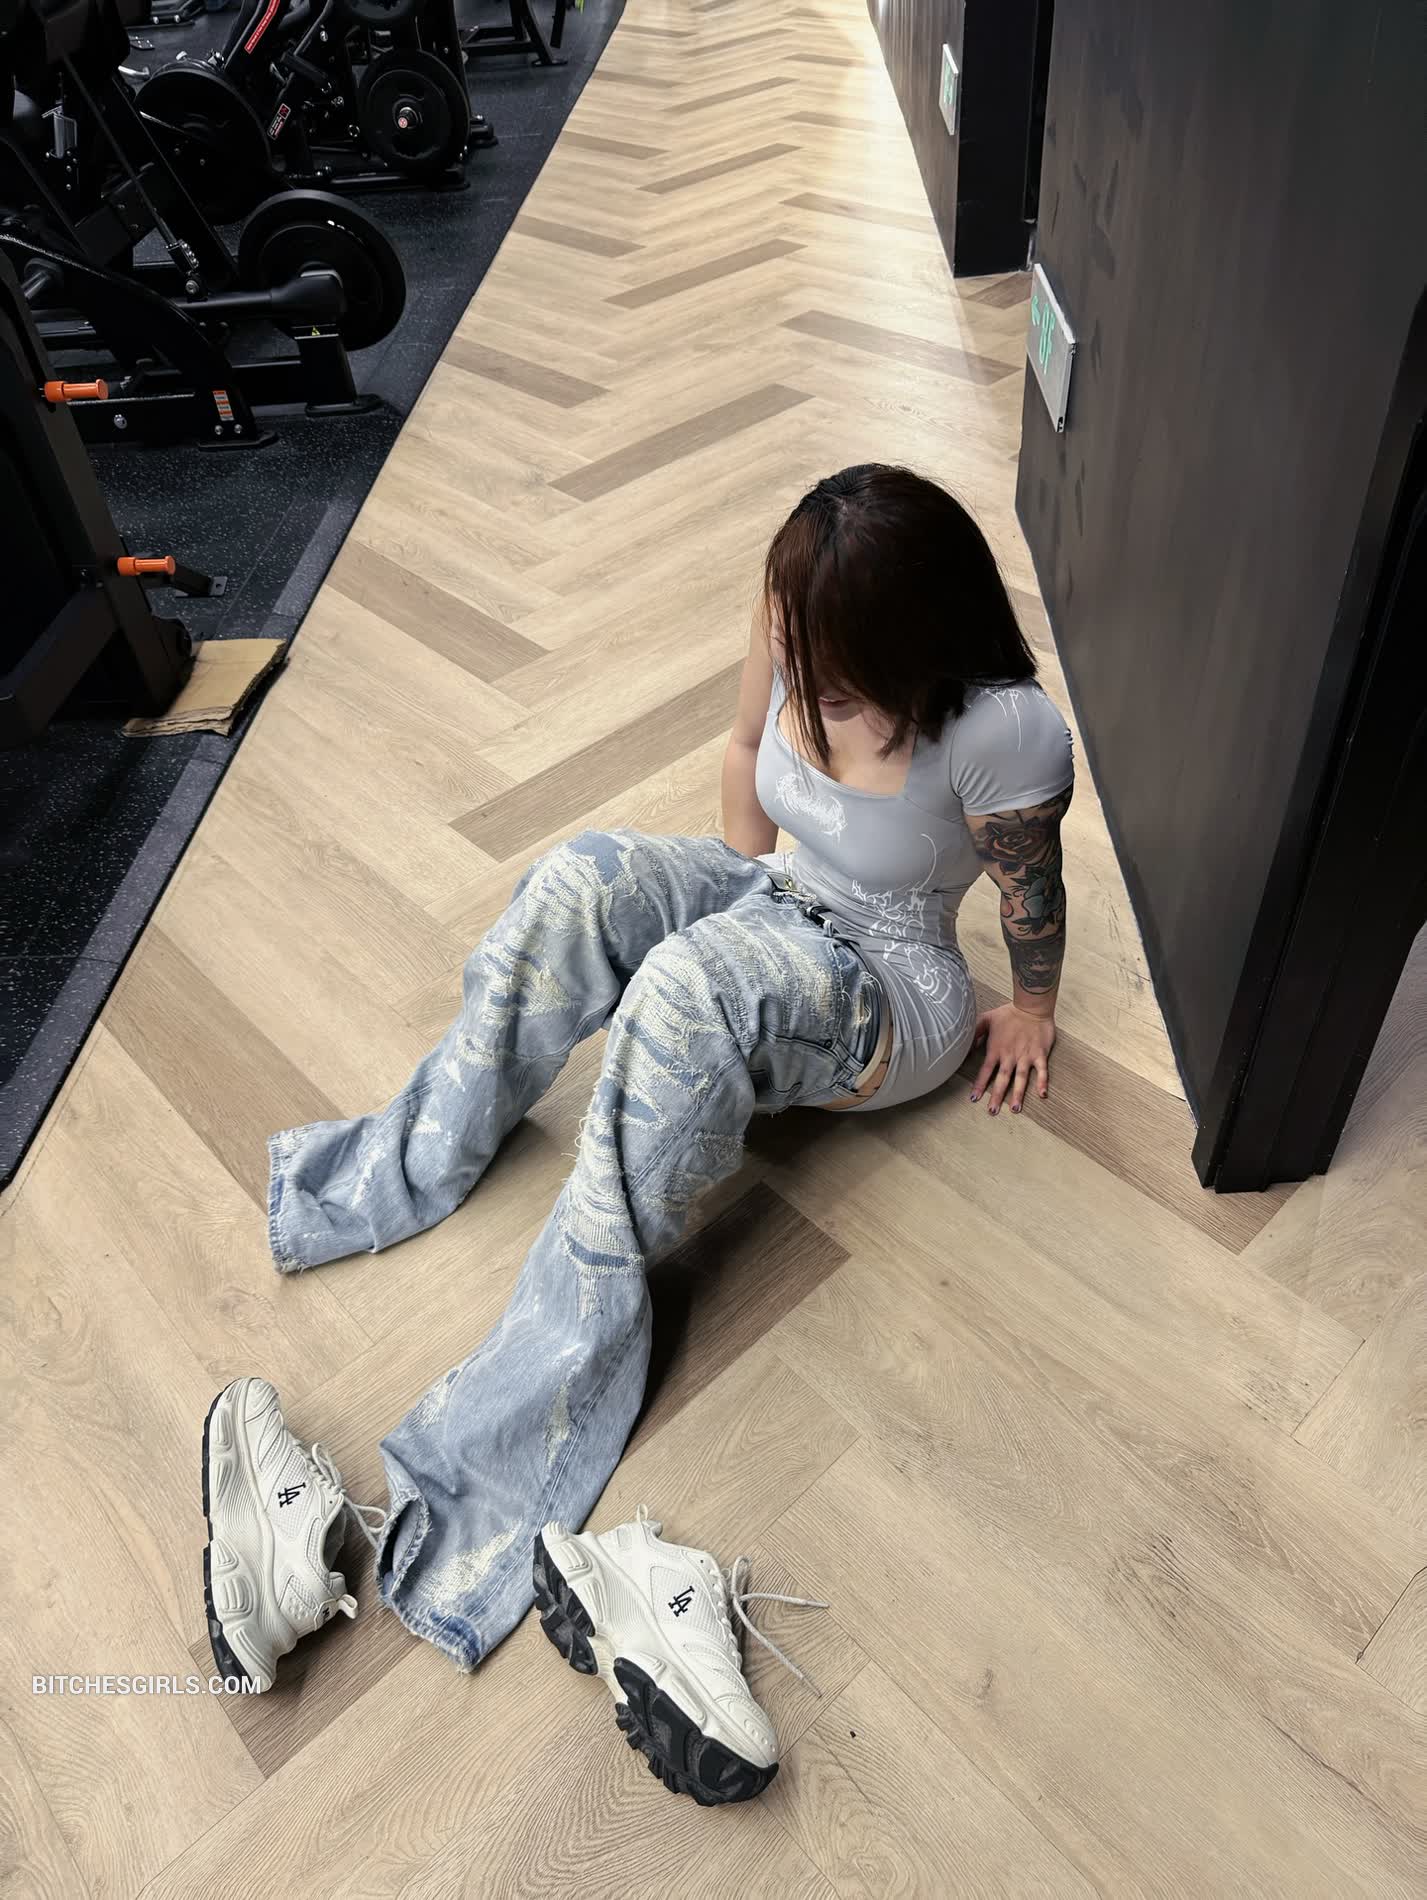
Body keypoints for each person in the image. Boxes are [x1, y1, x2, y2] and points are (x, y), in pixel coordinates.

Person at [200, 464, 1074, 1799]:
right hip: (781, 903)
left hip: (893, 988)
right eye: (799, 660)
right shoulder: (795, 621)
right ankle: (380, 1174)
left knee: (684, 992)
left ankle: (480, 1495)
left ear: (922, 653)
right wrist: (734, 900)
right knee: (583, 882)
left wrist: (1036, 1008)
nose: (804, 691)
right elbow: (741, 755)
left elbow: (1028, 890)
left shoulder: (1005, 728)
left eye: (840, 689)